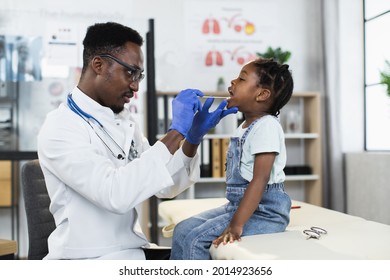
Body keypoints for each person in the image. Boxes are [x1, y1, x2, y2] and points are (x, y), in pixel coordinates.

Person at [37, 22, 237, 260]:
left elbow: (166, 186)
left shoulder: (122, 120)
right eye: (130, 72)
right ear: (98, 65)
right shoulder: (61, 127)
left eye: (139, 75)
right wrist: (175, 133)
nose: (135, 85)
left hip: (132, 251)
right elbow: (115, 194)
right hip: (91, 259)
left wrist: (192, 138)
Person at [170, 57, 294, 260]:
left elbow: (260, 180)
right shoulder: (245, 126)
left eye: (242, 79)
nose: (233, 82)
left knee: (195, 239)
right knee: (182, 230)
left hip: (265, 212)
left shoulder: (267, 126)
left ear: (262, 94)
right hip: (240, 207)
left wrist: (236, 225)